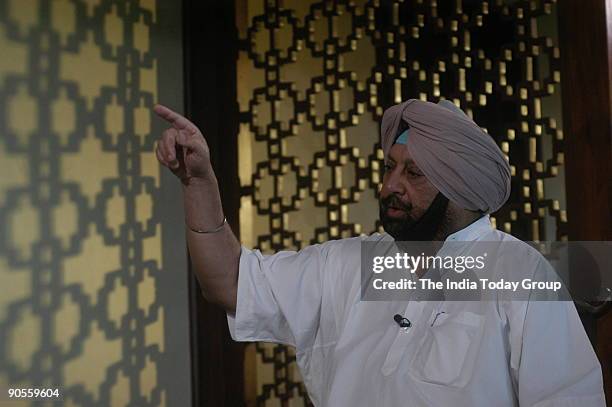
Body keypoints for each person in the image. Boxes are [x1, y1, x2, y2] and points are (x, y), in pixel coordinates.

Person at [153, 99, 605, 406]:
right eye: (390, 167)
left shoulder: (520, 274)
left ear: (459, 187)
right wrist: (199, 184)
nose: (390, 186)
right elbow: (229, 283)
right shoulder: (355, 263)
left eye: (414, 173)